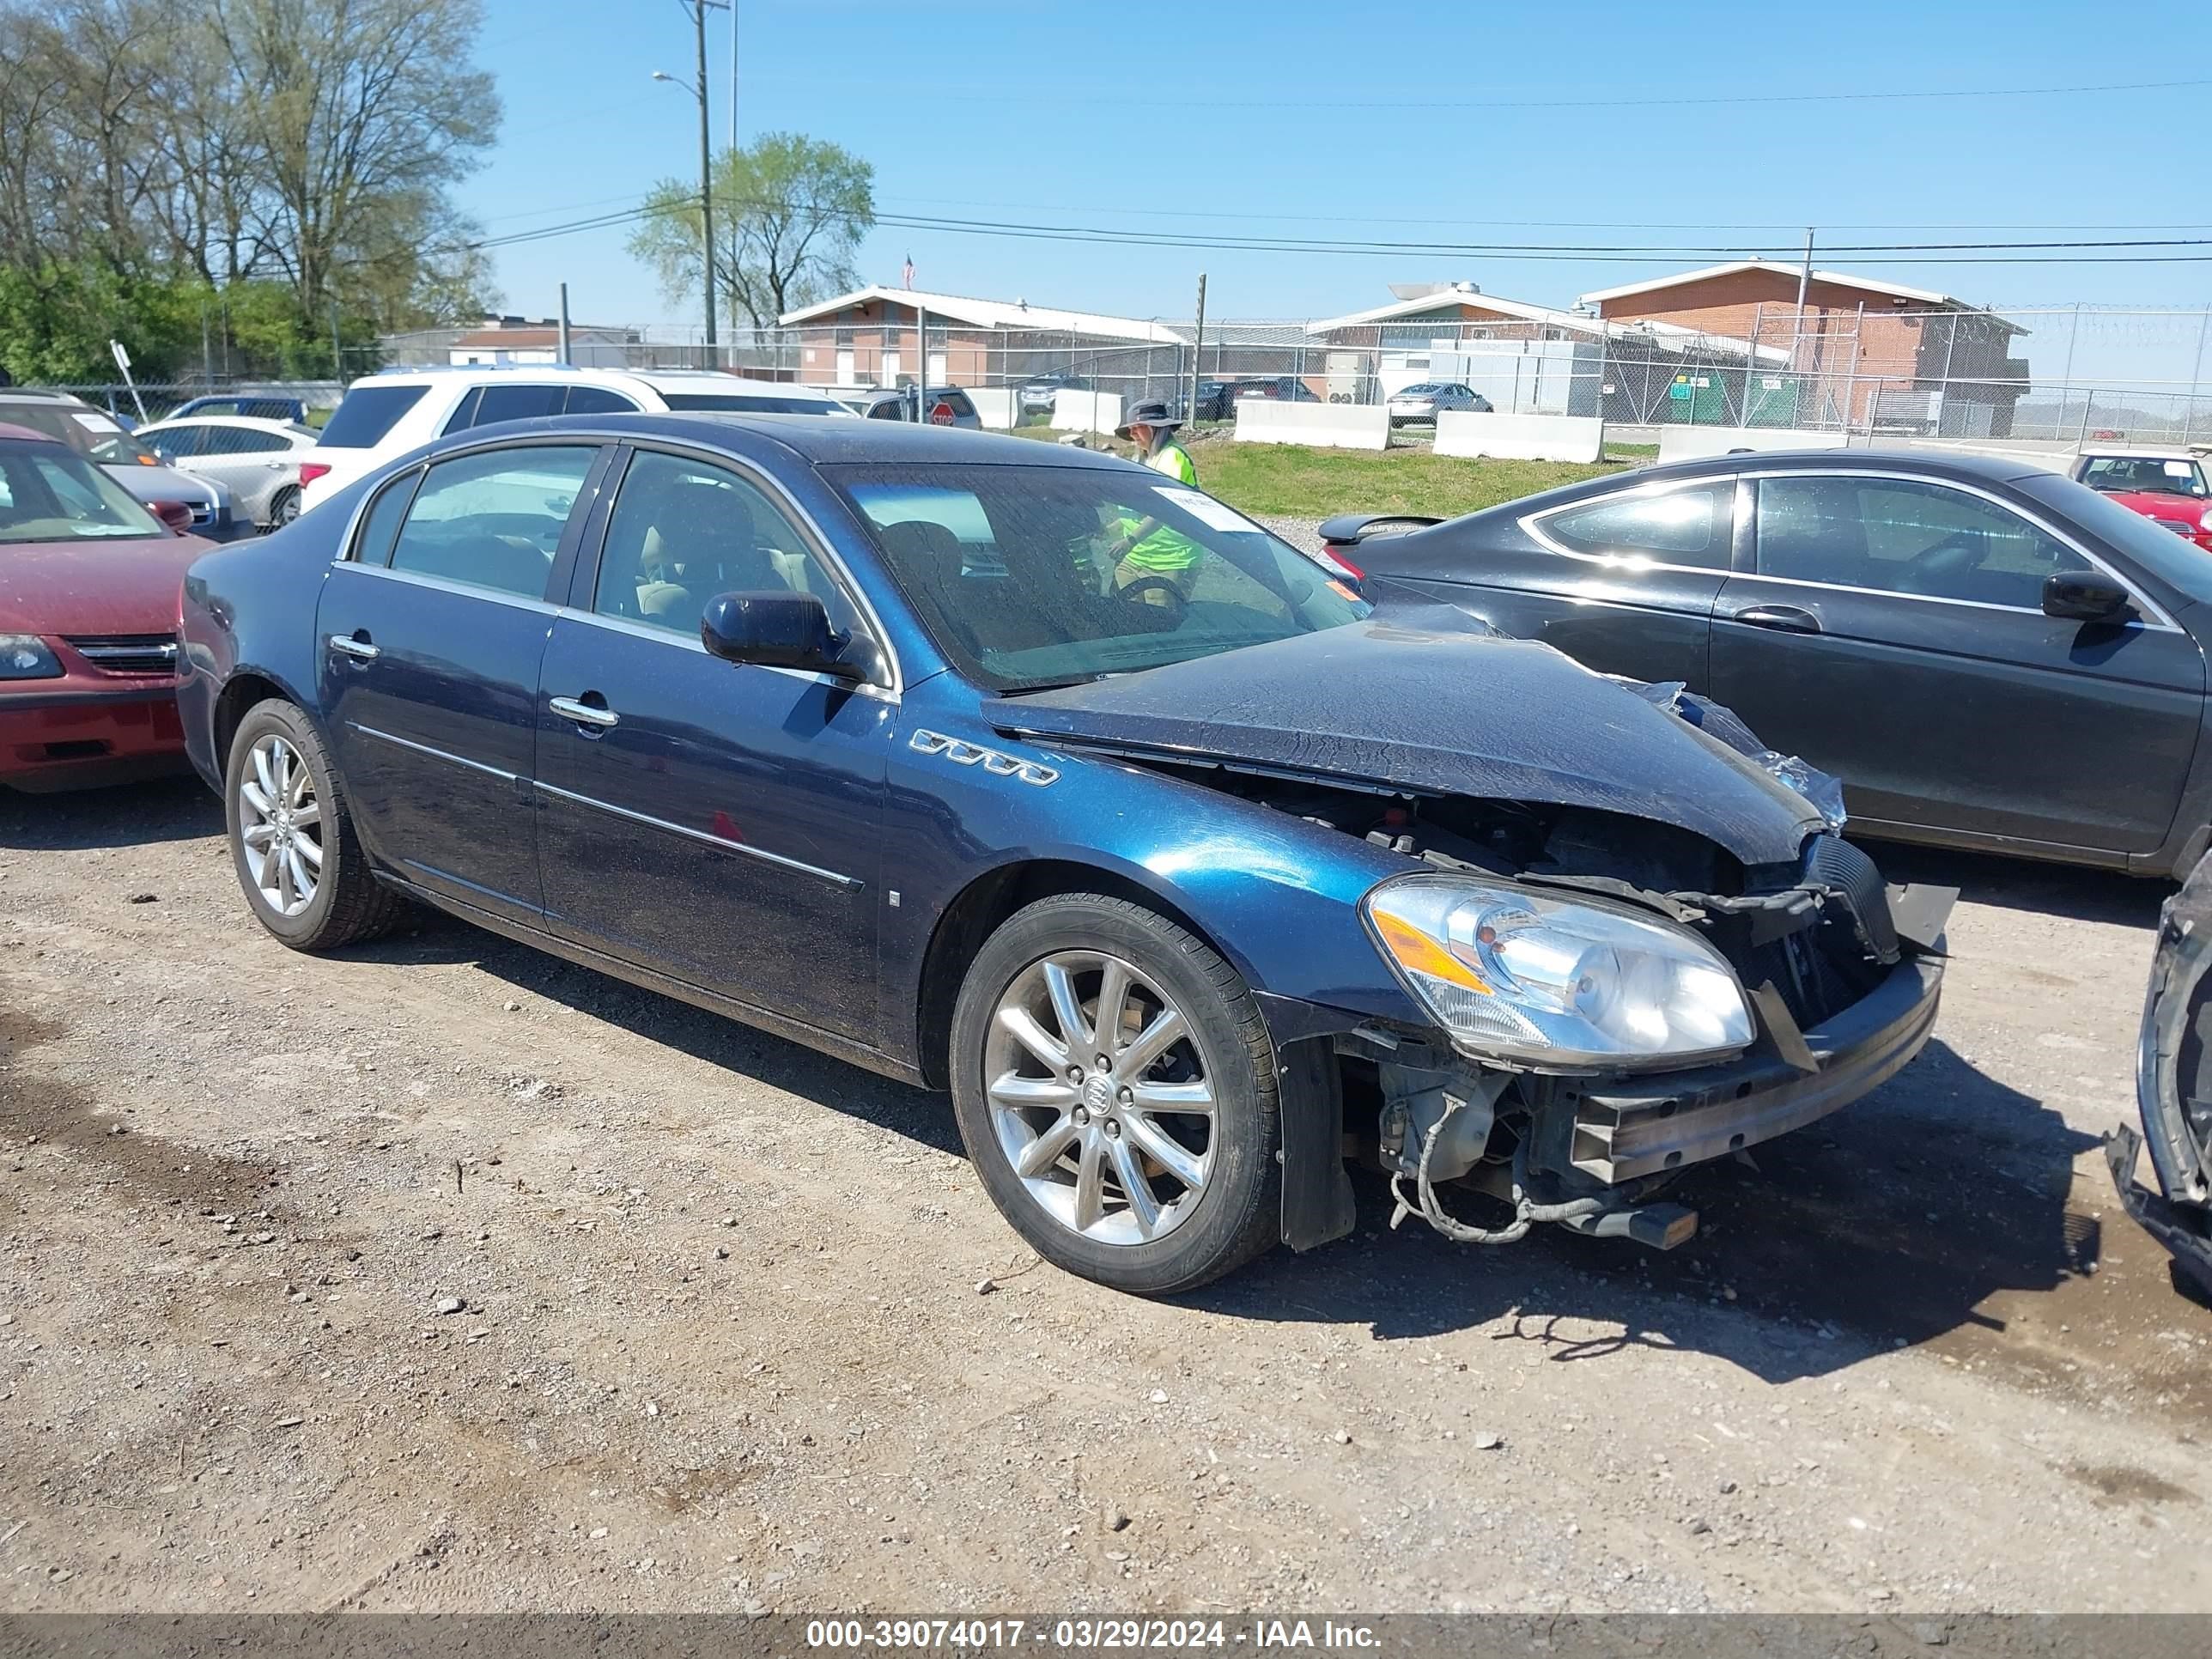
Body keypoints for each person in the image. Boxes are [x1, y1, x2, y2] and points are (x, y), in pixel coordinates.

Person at [1080, 399, 1203, 600]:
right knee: (1122, 614)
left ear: (1156, 429)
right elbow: (1136, 515)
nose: (1132, 434)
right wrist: (1106, 532)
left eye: (1138, 428)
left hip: (1170, 560)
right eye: (1130, 429)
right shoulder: (1143, 460)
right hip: (1134, 558)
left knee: (1159, 622)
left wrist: (1129, 541)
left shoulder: (1173, 457)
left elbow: (1164, 510)